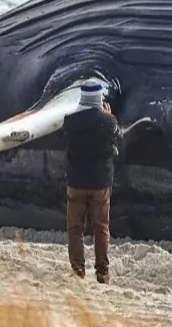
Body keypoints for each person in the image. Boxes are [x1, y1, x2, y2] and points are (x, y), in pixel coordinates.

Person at [63, 78, 120, 284]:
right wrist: (109, 115)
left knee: (75, 228)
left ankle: (78, 270)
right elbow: (117, 138)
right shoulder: (108, 122)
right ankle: (102, 272)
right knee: (100, 228)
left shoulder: (70, 121)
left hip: (76, 181)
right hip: (100, 183)